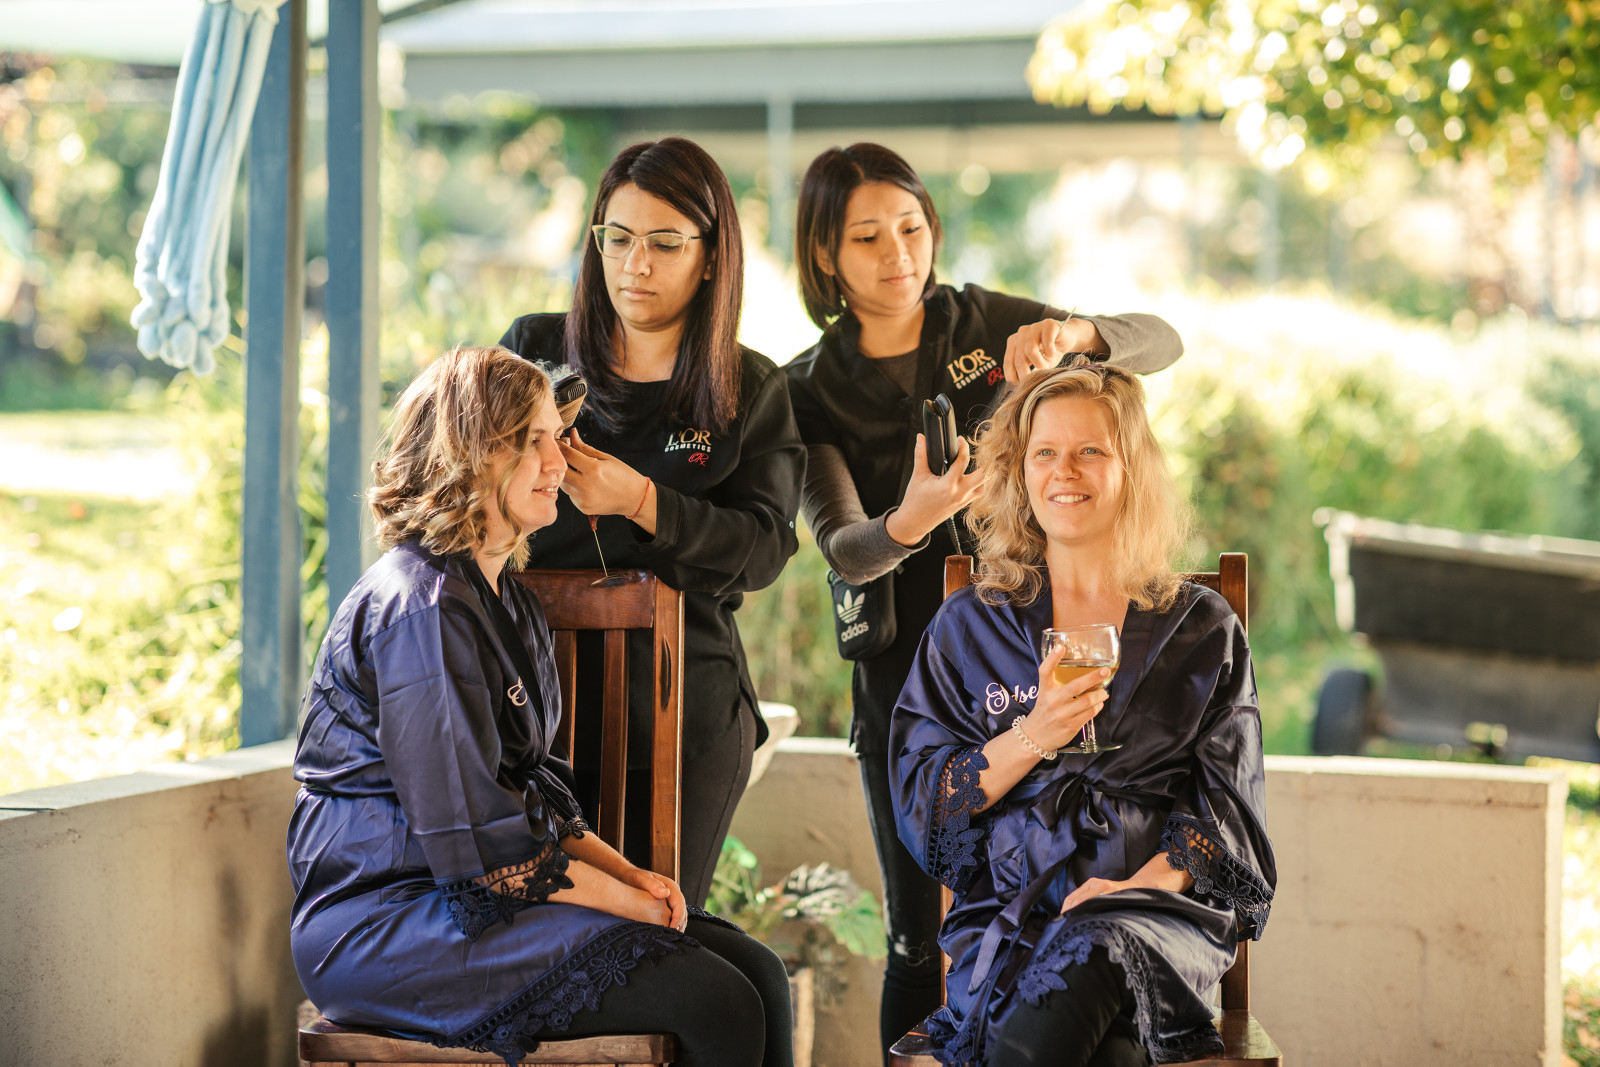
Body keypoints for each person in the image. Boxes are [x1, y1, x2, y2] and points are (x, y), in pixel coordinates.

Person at [782, 141, 1185, 1059]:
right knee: (918, 936)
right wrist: (912, 520)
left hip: (1031, 660)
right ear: (825, 256)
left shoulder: (985, 324)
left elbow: (1163, 340)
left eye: (912, 227)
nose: (898, 254)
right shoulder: (808, 387)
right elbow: (844, 548)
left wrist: (1075, 336)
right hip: (905, 683)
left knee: (1049, 909)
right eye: (867, 238)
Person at [287, 346, 793, 1067]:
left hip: (474, 896)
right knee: (717, 999)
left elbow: (536, 796)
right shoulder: (420, 608)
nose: (559, 461)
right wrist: (628, 905)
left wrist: (632, 878)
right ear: (468, 454)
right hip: (387, 924)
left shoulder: (507, 600)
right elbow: (481, 853)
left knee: (761, 974)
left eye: (557, 437)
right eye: (533, 441)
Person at [890, 361, 1275, 1066]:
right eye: (1045, 451)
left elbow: (1229, 812)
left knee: (1098, 947)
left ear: (1131, 468)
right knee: (1112, 1050)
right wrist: (1035, 734)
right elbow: (924, 802)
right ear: (1021, 471)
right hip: (1012, 915)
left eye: (1090, 450)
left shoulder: (1201, 628)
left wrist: (1126, 890)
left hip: (1155, 914)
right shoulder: (971, 625)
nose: (1064, 471)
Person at [498, 137, 804, 908]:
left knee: (661, 929)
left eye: (665, 243)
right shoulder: (535, 352)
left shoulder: (749, 387)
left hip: (681, 709)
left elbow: (764, 548)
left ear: (710, 256)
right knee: (540, 934)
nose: (636, 264)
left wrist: (641, 499)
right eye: (619, 238)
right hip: (526, 709)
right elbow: (455, 479)